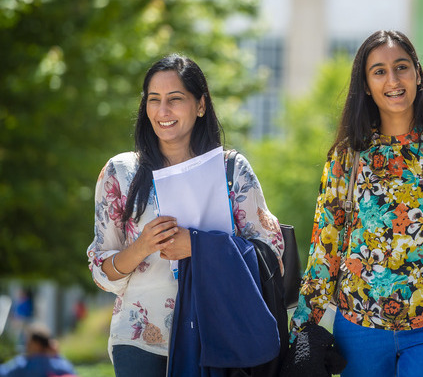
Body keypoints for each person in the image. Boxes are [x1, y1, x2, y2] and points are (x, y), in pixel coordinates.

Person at [86, 54, 283, 377]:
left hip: (216, 338)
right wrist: (143, 246)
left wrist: (198, 245)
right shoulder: (120, 172)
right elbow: (100, 273)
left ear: (201, 104)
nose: (163, 112)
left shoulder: (231, 169)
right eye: (154, 100)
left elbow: (272, 253)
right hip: (140, 341)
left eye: (175, 100)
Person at [288, 30, 423, 377]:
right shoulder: (348, 155)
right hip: (360, 328)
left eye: (401, 67)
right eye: (380, 71)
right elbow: (327, 245)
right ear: (366, 85)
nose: (393, 80)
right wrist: (302, 327)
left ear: (417, 74)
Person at [0, 324, 76, 377]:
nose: (26, 346)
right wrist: (57, 354)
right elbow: (72, 372)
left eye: (28, 342)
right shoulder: (59, 364)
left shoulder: (25, 364)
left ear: (37, 344)